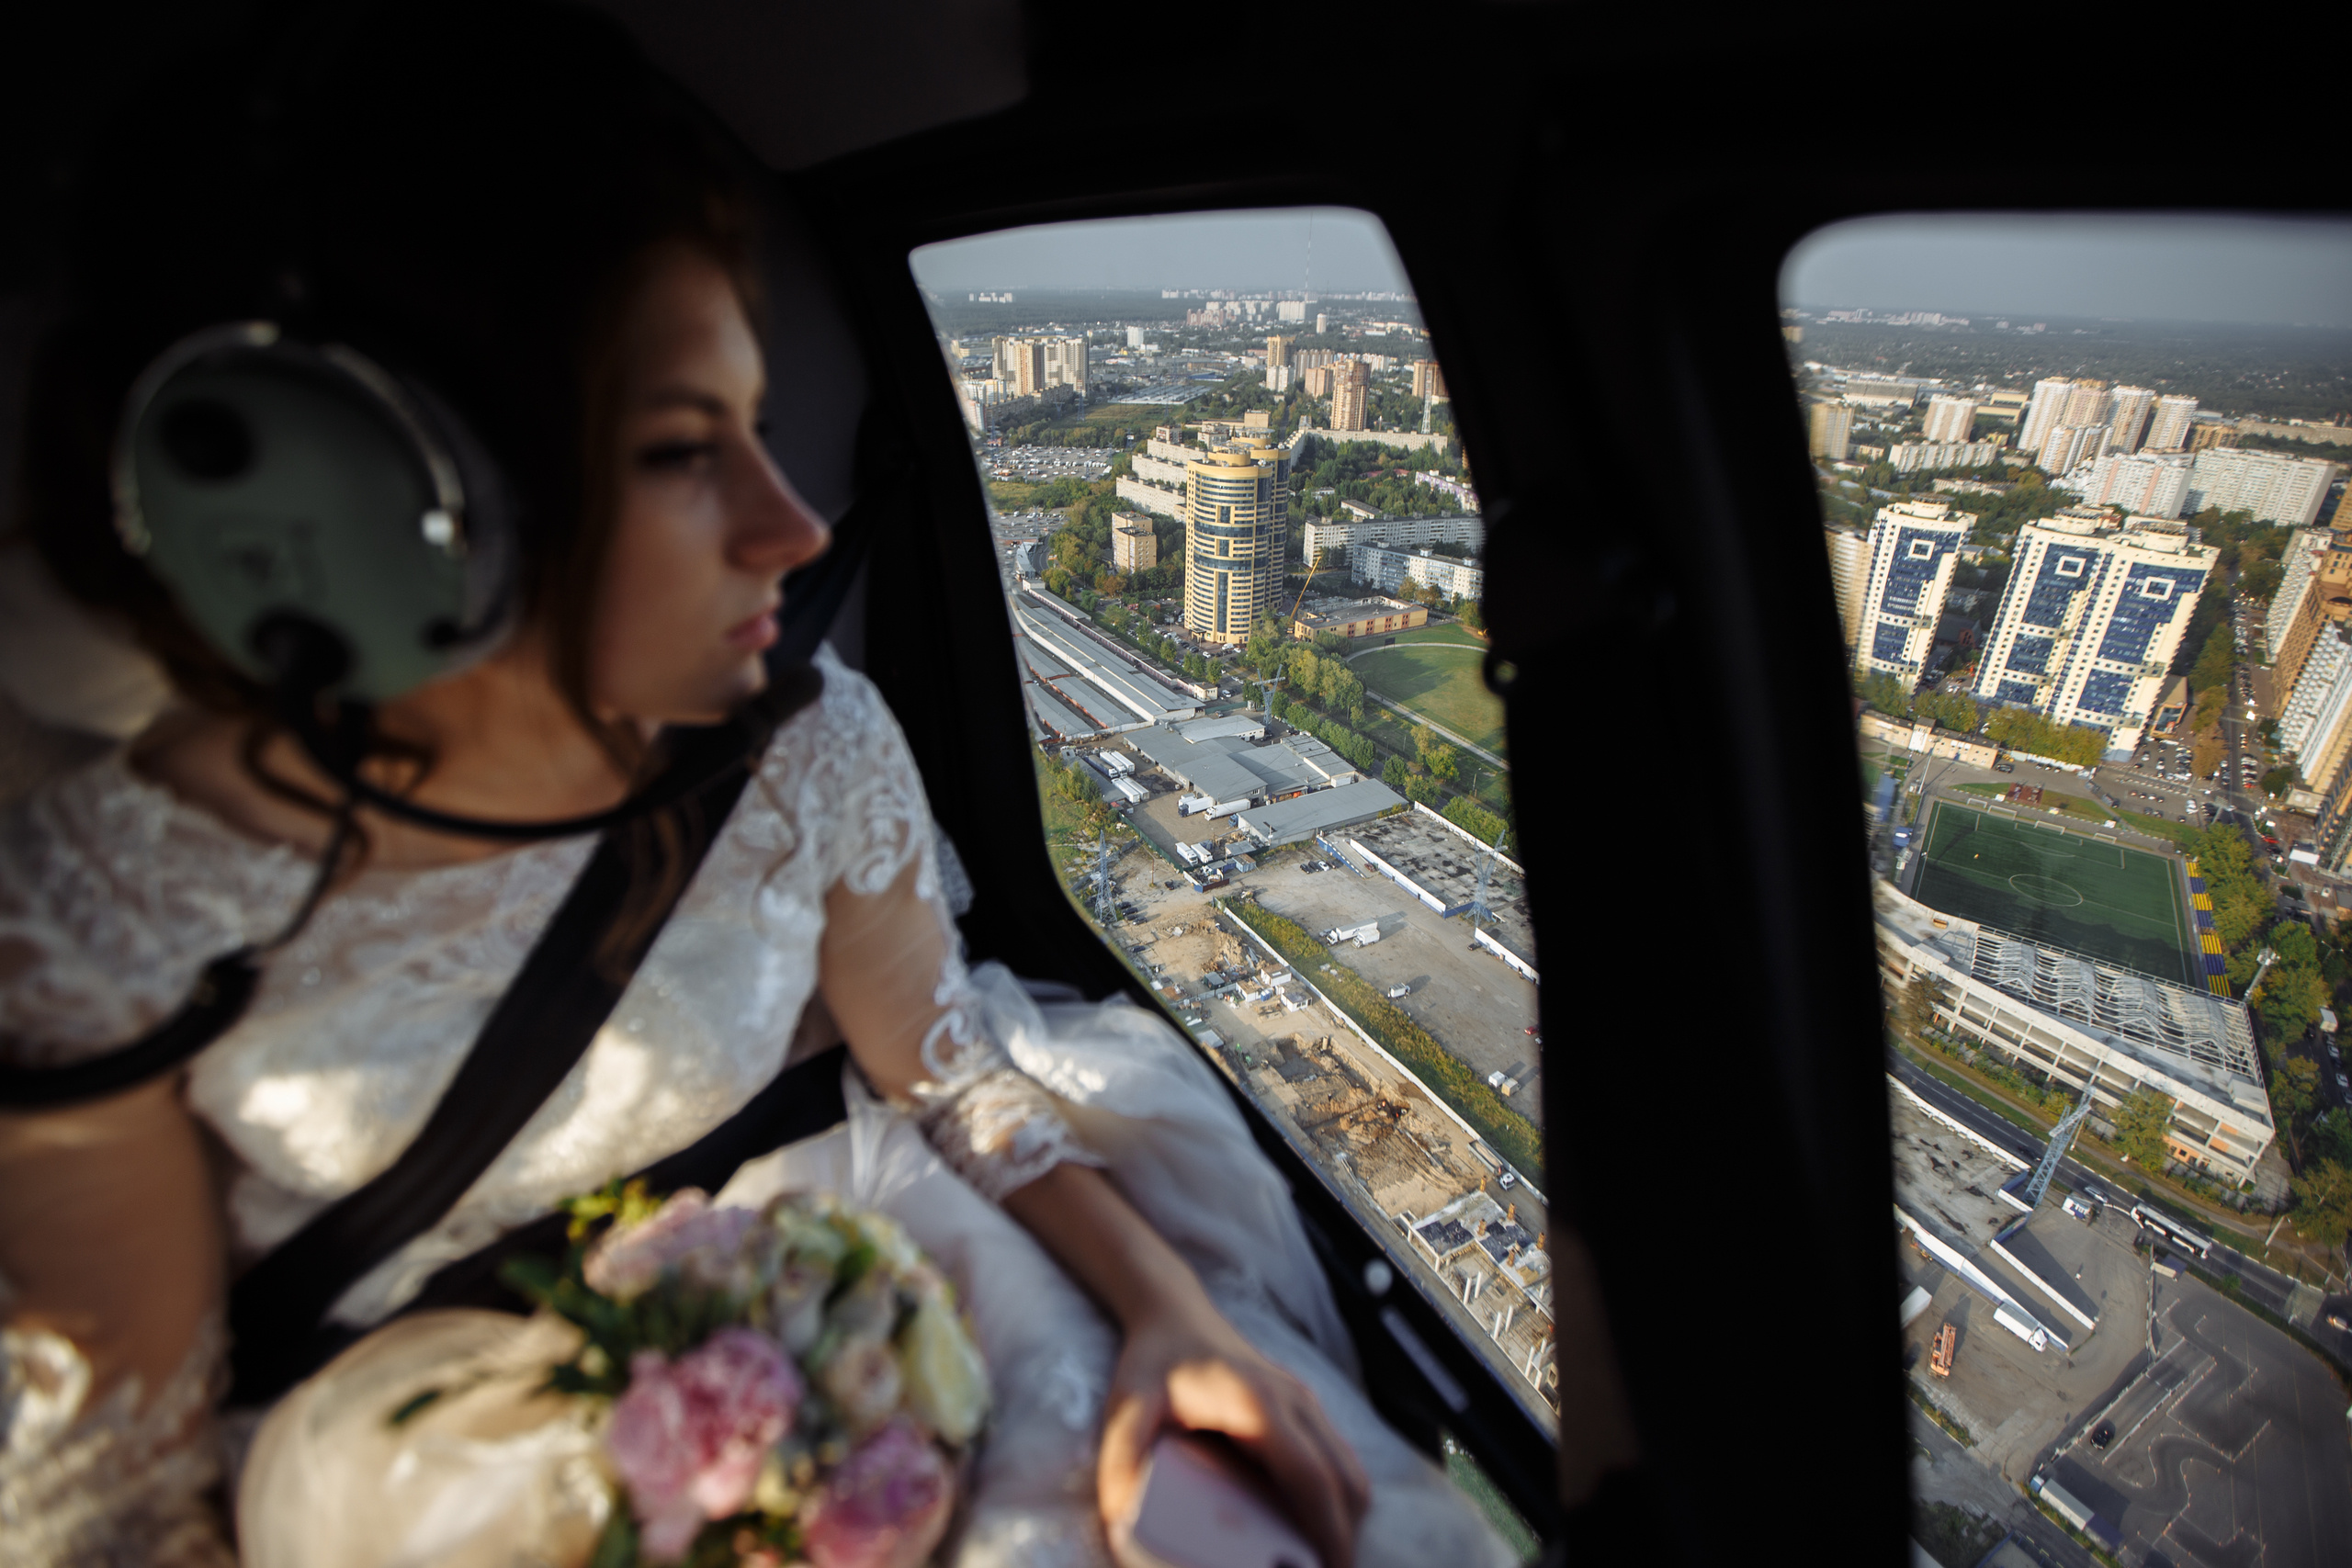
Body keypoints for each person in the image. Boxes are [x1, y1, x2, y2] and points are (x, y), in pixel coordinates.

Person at [0, 7, 1516, 1565]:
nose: (794, 529)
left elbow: (951, 1080)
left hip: (878, 1275)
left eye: (757, 429)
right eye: (679, 450)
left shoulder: (811, 741)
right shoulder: (114, 911)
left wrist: (1170, 1313)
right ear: (396, 513)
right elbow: (119, 1491)